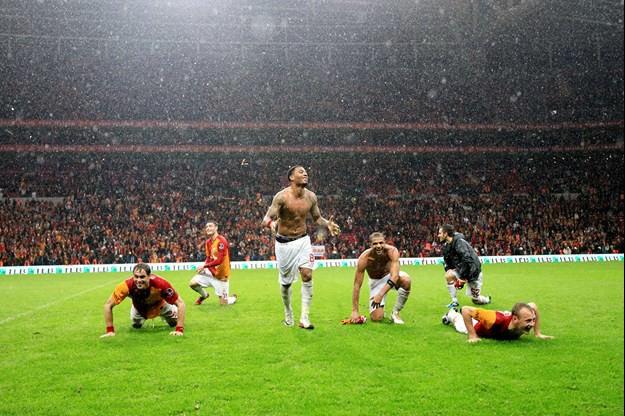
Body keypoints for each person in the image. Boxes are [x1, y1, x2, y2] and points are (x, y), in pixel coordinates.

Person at [262, 165, 340, 329]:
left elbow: (317, 218)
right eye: (301, 172)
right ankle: (288, 313)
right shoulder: (281, 197)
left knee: (307, 275)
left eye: (306, 172)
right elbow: (266, 218)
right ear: (291, 177)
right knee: (286, 284)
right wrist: (271, 224)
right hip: (284, 244)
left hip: (303, 241)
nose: (305, 174)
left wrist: (328, 224)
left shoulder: (311, 197)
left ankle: (305, 318)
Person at [101, 263, 186, 337]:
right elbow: (107, 305)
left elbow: (181, 303)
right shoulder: (125, 286)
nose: (139, 280)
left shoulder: (161, 284)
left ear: (149, 276)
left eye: (142, 277)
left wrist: (179, 330)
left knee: (173, 324)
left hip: (162, 306)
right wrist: (110, 331)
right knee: (136, 326)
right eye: (136, 277)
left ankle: (171, 315)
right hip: (139, 309)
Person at [350, 232, 411, 324]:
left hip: (390, 277)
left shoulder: (392, 251)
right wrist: (355, 311)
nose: (378, 246)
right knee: (377, 318)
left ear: (385, 242)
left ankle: (396, 312)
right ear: (370, 245)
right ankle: (379, 310)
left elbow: (394, 276)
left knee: (406, 280)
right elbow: (357, 285)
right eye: (375, 243)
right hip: (376, 282)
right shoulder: (364, 258)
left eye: (381, 243)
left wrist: (380, 295)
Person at [442, 302, 554, 343]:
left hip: (496, 322)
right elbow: (466, 309)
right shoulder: (495, 319)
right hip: (477, 327)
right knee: (459, 321)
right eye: (528, 321)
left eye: (533, 320)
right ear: (515, 319)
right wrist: (472, 336)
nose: (532, 324)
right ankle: (451, 314)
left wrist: (537, 333)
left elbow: (533, 305)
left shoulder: (523, 317)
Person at [437, 224, 491, 308]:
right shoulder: (446, 246)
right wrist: (449, 270)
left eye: (440, 233)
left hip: (473, 272)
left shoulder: (459, 242)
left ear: (446, 234)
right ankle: (454, 301)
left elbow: (468, 260)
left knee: (475, 300)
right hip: (462, 271)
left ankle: (486, 299)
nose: (438, 235)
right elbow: (447, 262)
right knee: (448, 275)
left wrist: (462, 278)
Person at [189, 221, 237, 306]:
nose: (208, 228)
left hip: (221, 276)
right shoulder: (208, 242)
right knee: (192, 283)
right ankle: (204, 295)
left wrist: (205, 265)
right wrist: (204, 267)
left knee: (224, 304)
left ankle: (233, 298)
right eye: (206, 226)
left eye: (210, 226)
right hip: (210, 272)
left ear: (216, 228)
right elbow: (208, 257)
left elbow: (219, 260)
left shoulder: (221, 241)